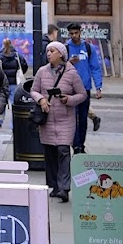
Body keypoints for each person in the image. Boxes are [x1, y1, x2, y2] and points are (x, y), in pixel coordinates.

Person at [32, 41, 87, 202]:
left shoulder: (71, 73)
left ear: (61, 54)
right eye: (48, 51)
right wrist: (41, 99)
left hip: (65, 120)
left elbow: (82, 94)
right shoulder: (42, 72)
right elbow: (33, 90)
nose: (48, 53)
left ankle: (64, 187)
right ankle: (54, 186)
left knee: (63, 151)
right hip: (47, 119)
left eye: (52, 51)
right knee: (50, 153)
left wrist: (68, 99)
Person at [65, 23, 104, 153]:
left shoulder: (88, 47)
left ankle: (80, 145)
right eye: (71, 34)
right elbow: (58, 67)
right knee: (72, 119)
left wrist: (98, 87)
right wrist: (69, 62)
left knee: (82, 119)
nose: (74, 36)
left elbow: (95, 68)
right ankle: (76, 146)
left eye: (76, 33)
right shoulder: (65, 48)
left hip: (84, 88)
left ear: (80, 32)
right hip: (70, 90)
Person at [0, 39, 27, 108]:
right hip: (14, 82)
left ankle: (3, 118)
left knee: (2, 103)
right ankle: (12, 118)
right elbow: (24, 66)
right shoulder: (17, 56)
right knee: (13, 102)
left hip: (3, 84)